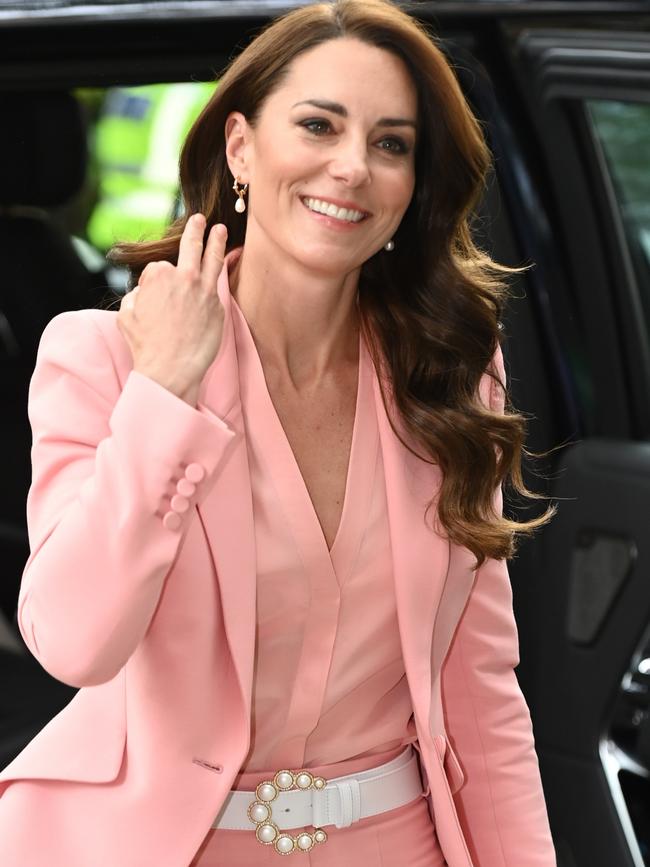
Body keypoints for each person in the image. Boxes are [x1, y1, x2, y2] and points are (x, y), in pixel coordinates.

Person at [0, 1, 557, 865]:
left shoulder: (450, 369)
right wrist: (166, 393)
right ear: (240, 147)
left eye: (390, 144)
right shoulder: (102, 357)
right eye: (317, 125)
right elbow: (75, 640)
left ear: (413, 186)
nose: (351, 168)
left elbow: (480, 687)